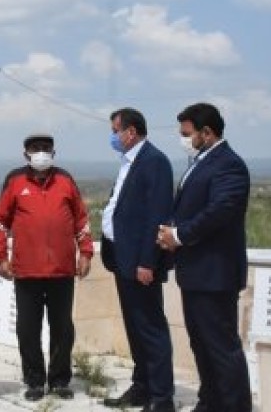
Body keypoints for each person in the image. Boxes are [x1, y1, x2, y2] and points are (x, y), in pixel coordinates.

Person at [157, 103, 252, 412]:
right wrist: (171, 227)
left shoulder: (229, 165)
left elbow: (220, 212)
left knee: (222, 347)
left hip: (215, 272)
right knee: (201, 344)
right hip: (195, 272)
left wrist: (180, 235)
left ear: (207, 133)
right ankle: (210, 401)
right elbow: (190, 205)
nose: (184, 139)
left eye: (188, 134)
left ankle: (235, 406)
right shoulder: (200, 161)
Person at [0, 132, 94, 402]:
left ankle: (60, 380)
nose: (41, 152)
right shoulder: (15, 181)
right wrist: (0, 257)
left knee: (62, 327)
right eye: (35, 148)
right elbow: (1, 222)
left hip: (62, 270)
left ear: (54, 152)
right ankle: (35, 380)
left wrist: (85, 253)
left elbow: (81, 220)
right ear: (25, 153)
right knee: (28, 328)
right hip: (26, 271)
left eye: (46, 148)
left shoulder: (65, 179)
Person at [101, 108, 176, 412]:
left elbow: (156, 216)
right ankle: (142, 385)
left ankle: (161, 397)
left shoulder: (154, 162)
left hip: (140, 263)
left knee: (150, 328)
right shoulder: (129, 162)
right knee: (135, 327)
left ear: (130, 132)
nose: (113, 137)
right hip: (123, 259)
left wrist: (148, 261)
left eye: (115, 131)